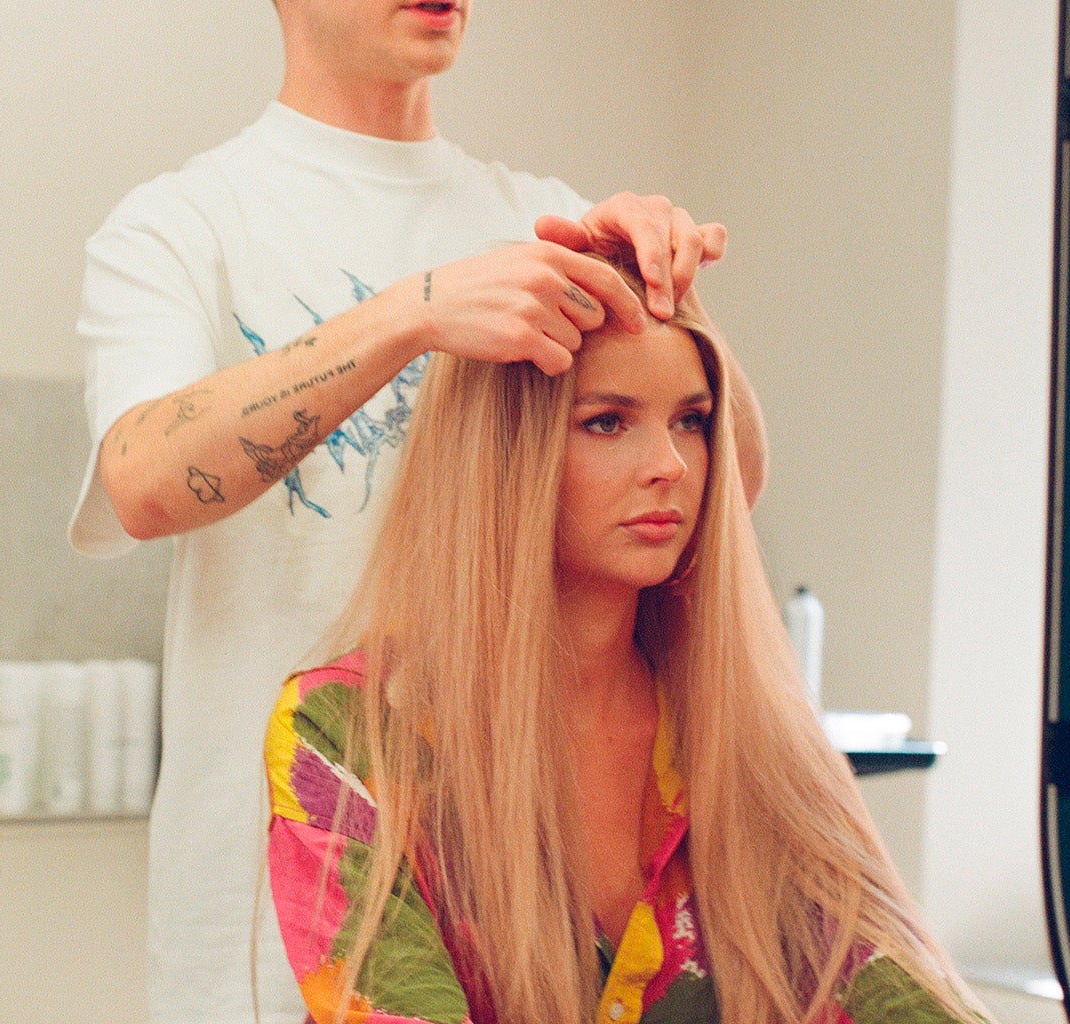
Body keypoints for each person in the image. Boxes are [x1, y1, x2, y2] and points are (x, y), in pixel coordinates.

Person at [69, 3, 724, 1022]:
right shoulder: (180, 226)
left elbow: (701, 514)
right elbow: (141, 480)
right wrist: (408, 315)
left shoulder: (550, 223)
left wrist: (675, 323)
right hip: (262, 920)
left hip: (518, 910)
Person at [264, 258, 993, 1024]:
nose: (669, 465)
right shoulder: (343, 736)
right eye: (607, 422)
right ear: (504, 453)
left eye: (692, 421)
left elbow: (904, 992)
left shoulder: (750, 738)